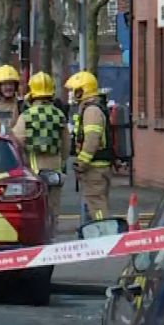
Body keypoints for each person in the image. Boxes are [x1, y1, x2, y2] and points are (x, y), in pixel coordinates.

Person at [12, 72, 69, 220]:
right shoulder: (59, 115)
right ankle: (52, 237)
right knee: (53, 210)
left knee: (36, 210)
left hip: (34, 171)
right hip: (55, 172)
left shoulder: (26, 116)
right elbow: (66, 146)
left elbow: (16, 143)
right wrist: (62, 162)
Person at [65, 70, 113, 222]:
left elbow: (92, 140)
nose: (71, 94)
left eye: (74, 90)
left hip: (95, 168)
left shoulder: (91, 111)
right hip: (98, 167)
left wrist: (81, 163)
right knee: (96, 203)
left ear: (82, 90)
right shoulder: (92, 108)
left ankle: (103, 233)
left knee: (97, 206)